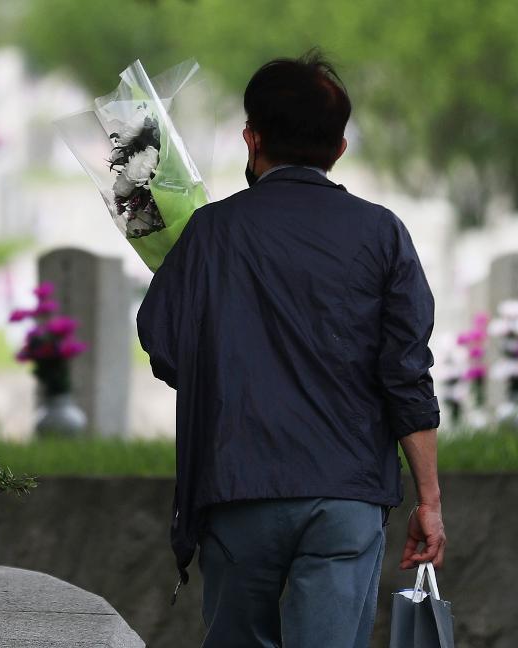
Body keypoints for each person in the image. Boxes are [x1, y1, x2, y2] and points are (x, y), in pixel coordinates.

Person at [137, 50, 446, 648]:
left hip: (237, 489)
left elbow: (166, 347)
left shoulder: (210, 232)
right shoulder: (382, 233)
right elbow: (407, 378)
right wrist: (429, 501)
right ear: (339, 149)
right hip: (346, 494)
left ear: (251, 140)